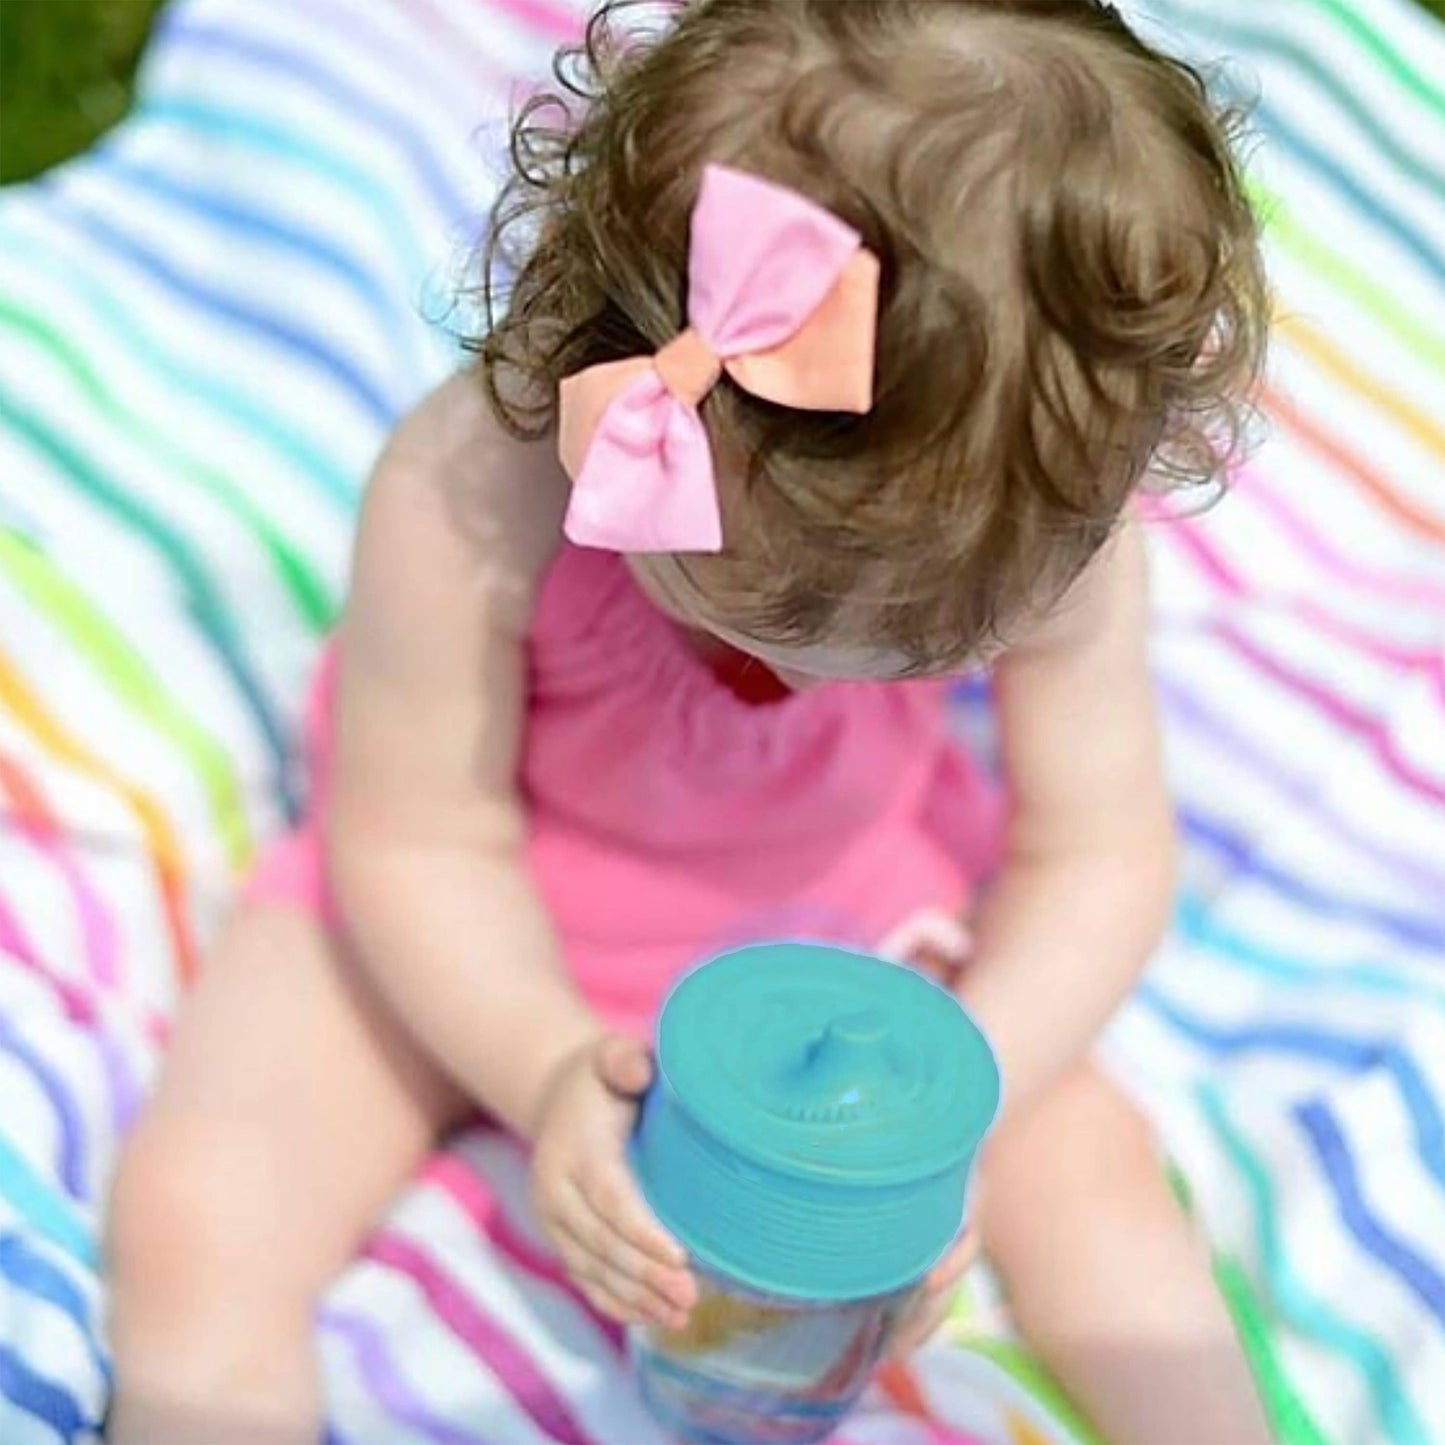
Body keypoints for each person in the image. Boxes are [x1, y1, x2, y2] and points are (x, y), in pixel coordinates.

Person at [104, 2, 1273, 1442]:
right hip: (489, 903)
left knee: (1101, 1192)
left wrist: (948, 1105)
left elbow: (1095, 861)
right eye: (777, 620)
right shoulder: (479, 490)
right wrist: (542, 1068)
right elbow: (416, 837)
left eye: (917, 648)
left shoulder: (1050, 521)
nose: (843, 682)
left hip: (842, 931)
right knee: (197, 1207)